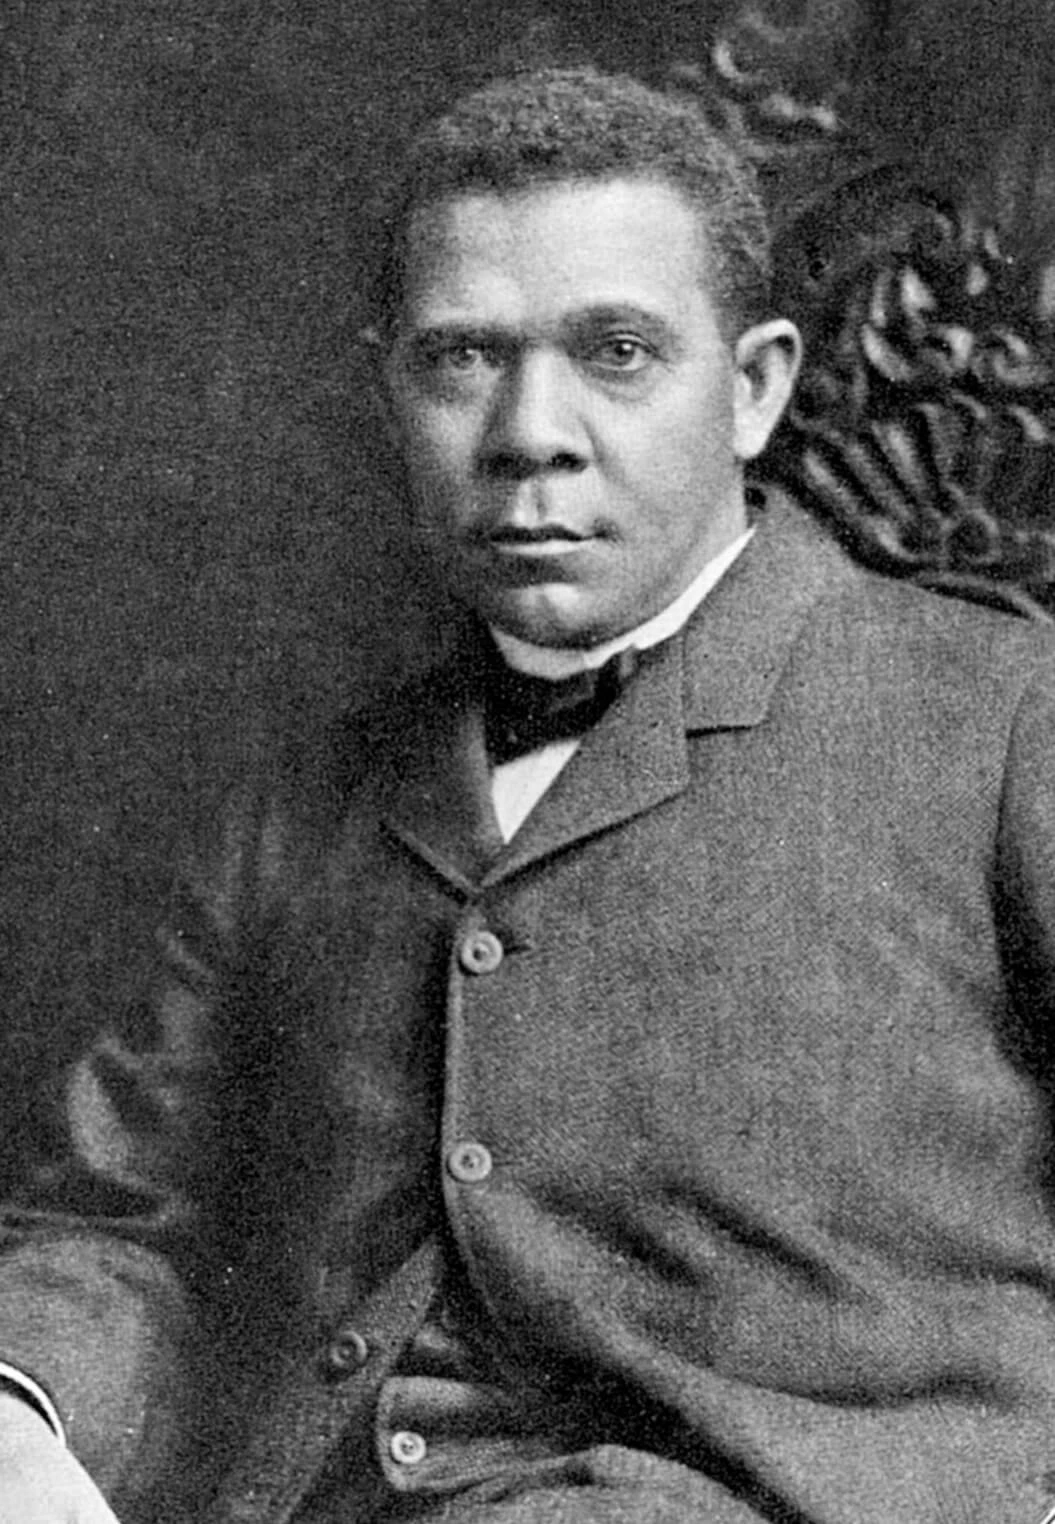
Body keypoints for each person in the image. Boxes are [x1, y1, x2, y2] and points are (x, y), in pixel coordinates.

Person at [2, 64, 1055, 1524]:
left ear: (751, 389)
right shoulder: (318, 795)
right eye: (460, 360)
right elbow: (133, 1226)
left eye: (615, 352)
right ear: (389, 389)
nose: (526, 432)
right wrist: (20, 1414)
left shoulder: (1005, 719)